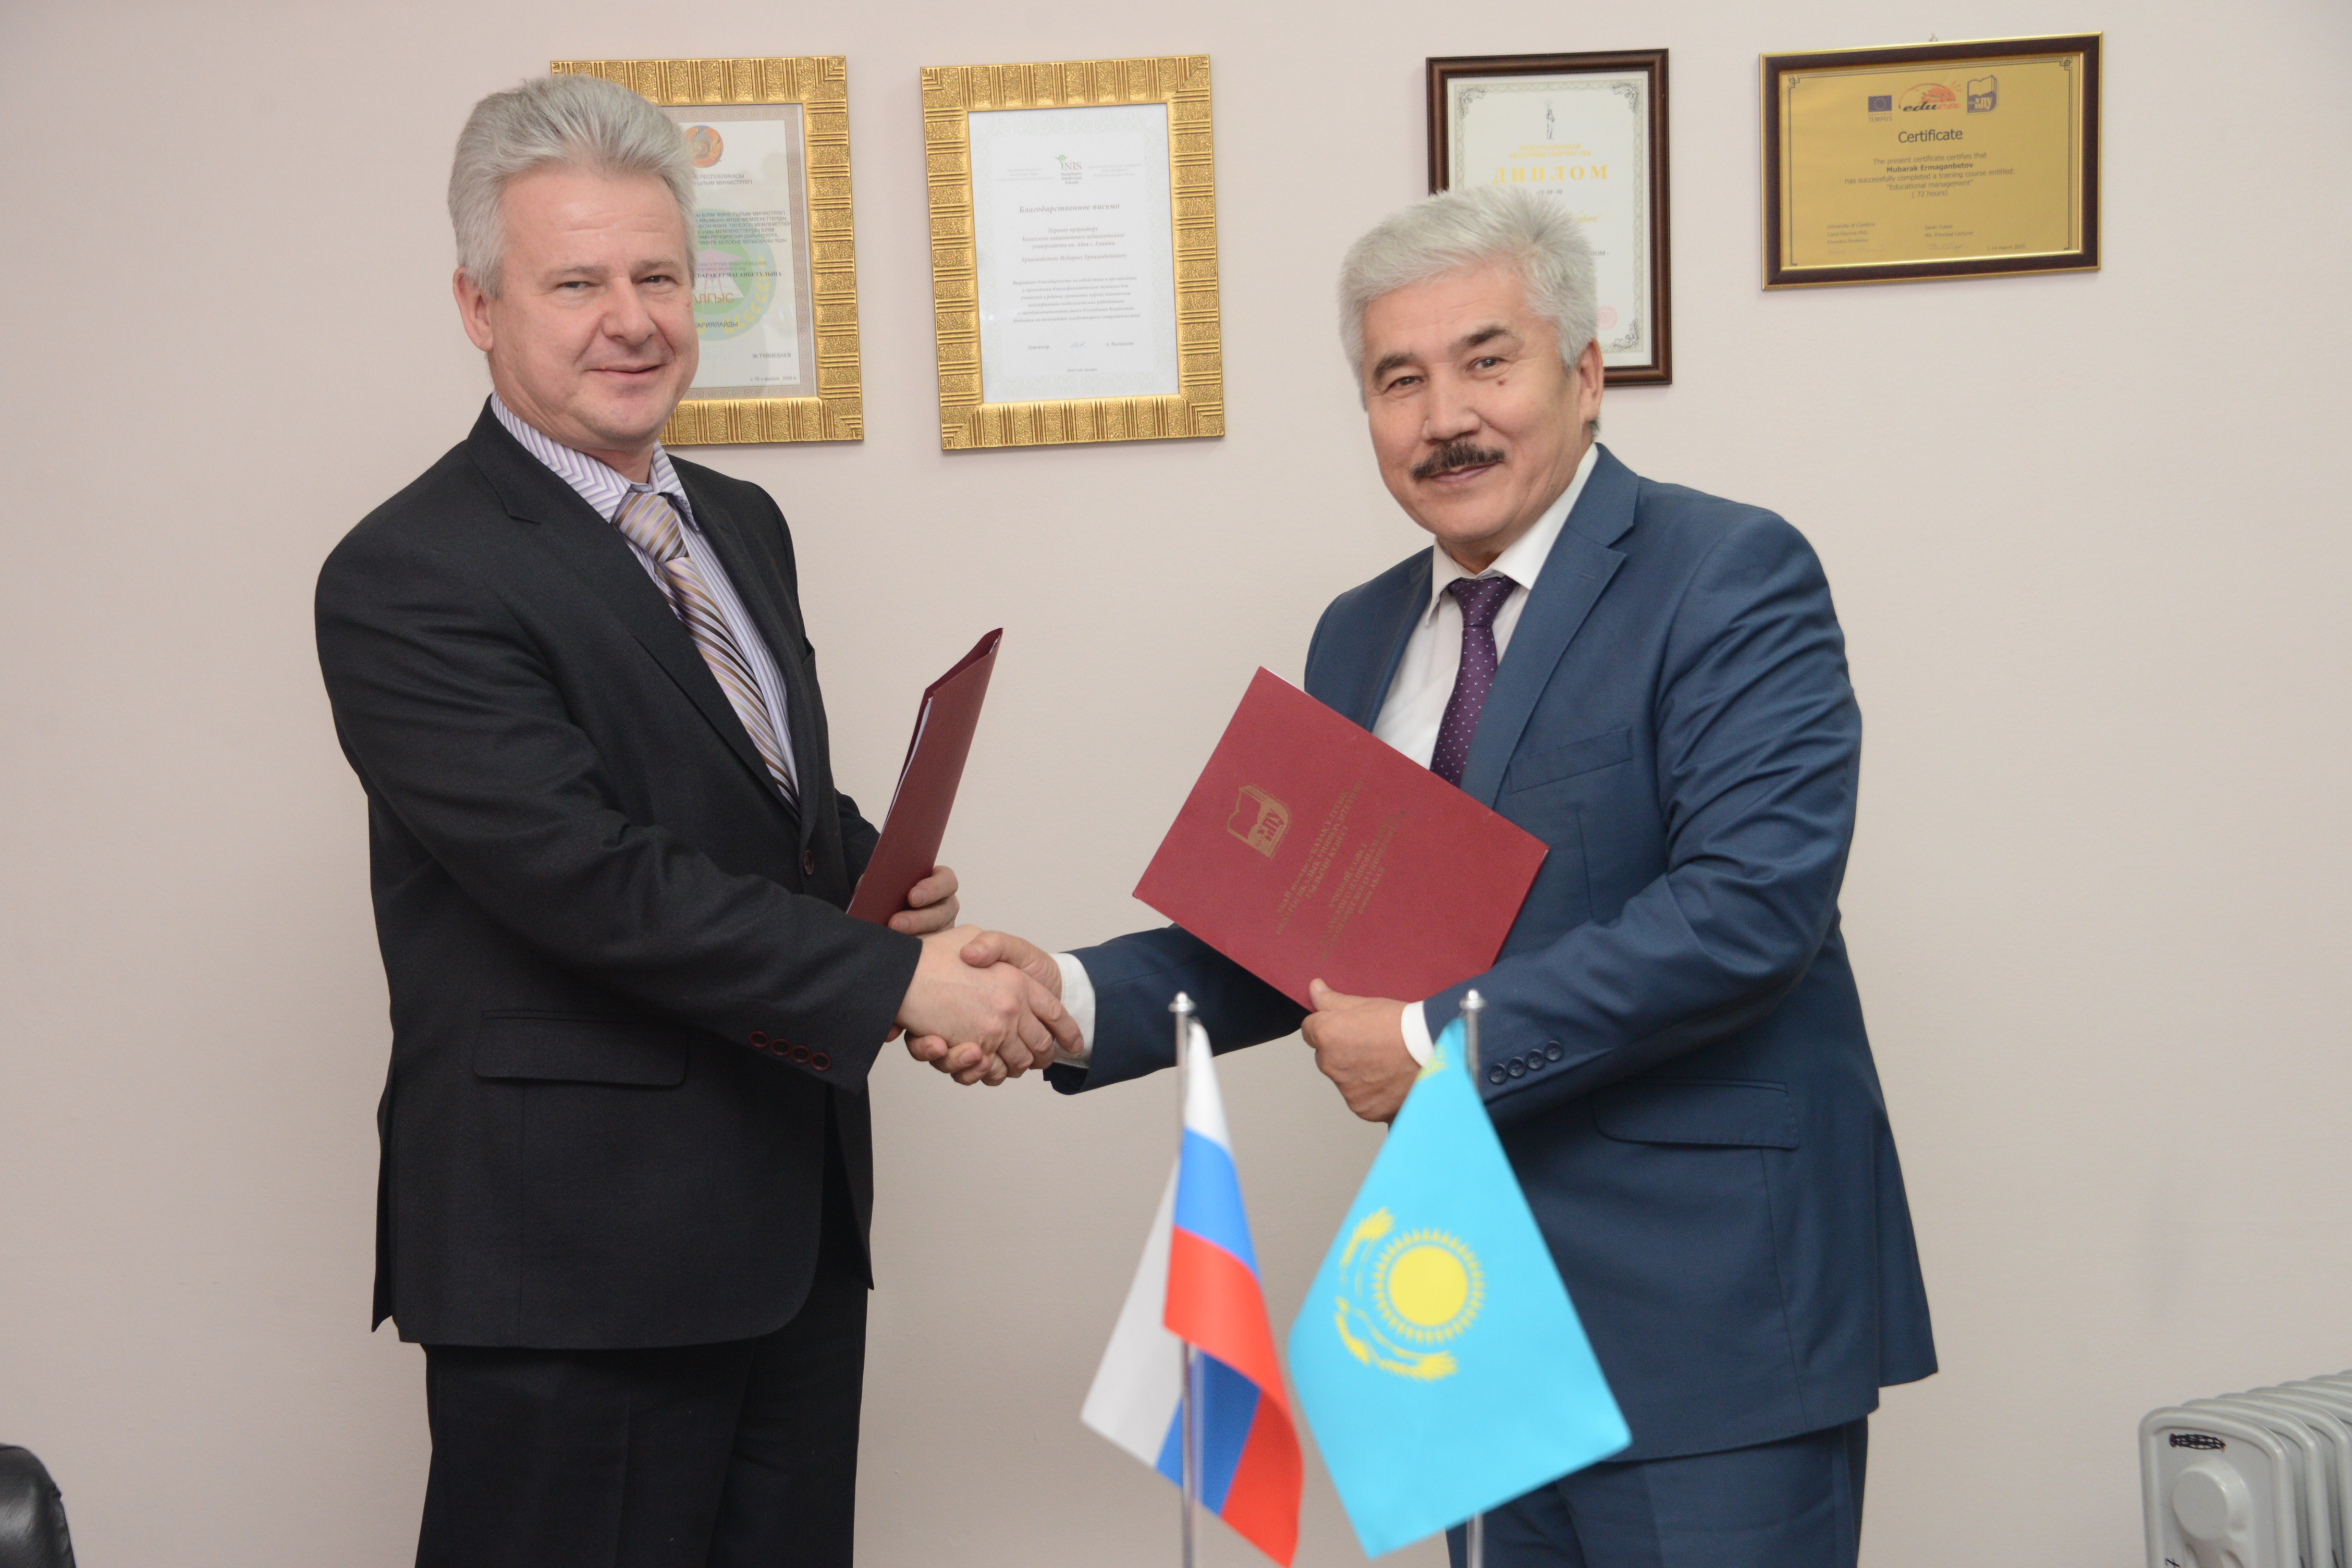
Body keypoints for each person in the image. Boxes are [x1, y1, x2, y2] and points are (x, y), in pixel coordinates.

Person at [925, 188, 1937, 1566]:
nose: (1444, 417)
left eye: (1487, 361)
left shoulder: (1728, 572)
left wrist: (1427, 1043)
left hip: (1712, 1317)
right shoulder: (1361, 634)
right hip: (1466, 1308)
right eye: (1399, 380)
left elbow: (1750, 910)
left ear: (1586, 374)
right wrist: (1065, 995)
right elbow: (1302, 934)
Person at [314, 75, 1072, 1568]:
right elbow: (589, 877)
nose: (632, 320)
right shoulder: (409, 573)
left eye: (658, 277)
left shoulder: (736, 520)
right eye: (576, 284)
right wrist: (894, 983)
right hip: (573, 1262)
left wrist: (878, 884)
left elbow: (742, 795)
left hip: (790, 1228)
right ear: (478, 305)